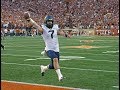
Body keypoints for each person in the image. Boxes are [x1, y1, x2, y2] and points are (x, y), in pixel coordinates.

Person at [24, 12, 71, 81]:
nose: (50, 23)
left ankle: (44, 68)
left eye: (51, 22)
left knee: (53, 65)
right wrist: (29, 19)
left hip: (56, 49)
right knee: (55, 59)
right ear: (45, 22)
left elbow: (59, 32)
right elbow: (36, 26)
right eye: (48, 22)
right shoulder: (43, 28)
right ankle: (60, 76)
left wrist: (66, 35)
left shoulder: (55, 27)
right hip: (49, 49)